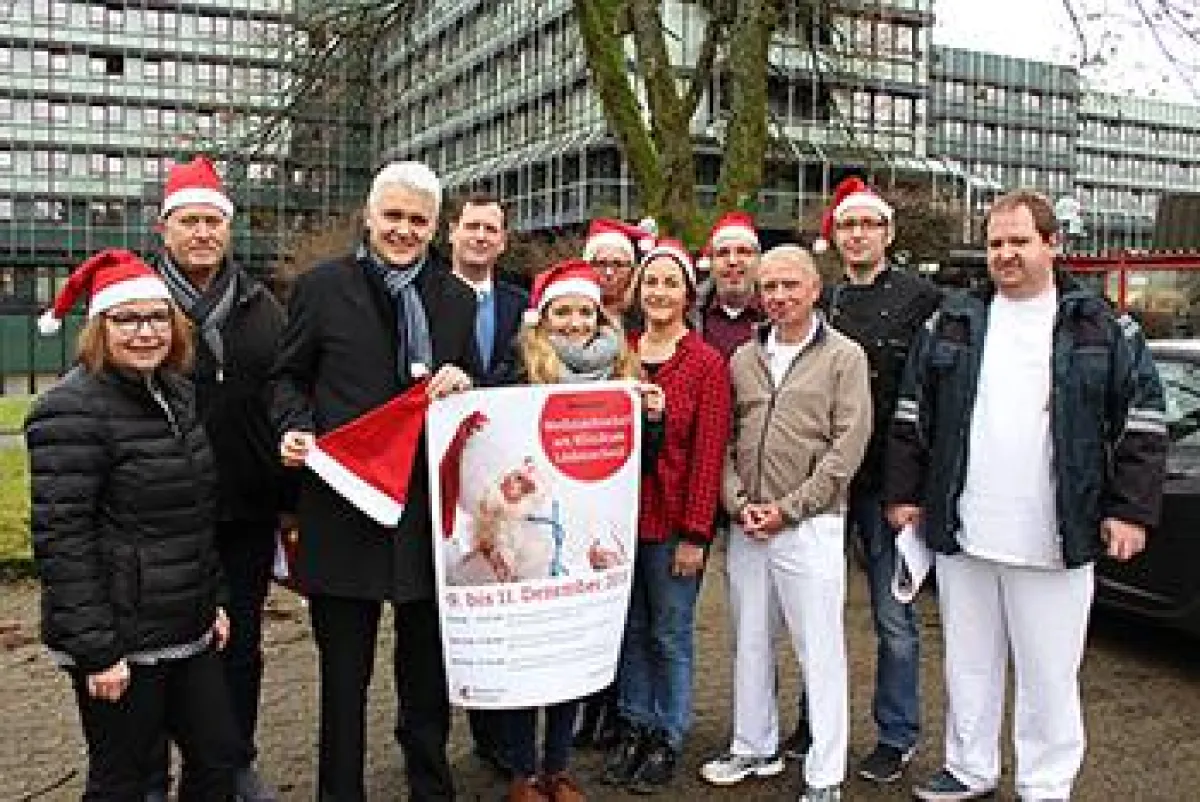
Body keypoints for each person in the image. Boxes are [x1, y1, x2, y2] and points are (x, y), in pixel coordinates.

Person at [884, 190, 1167, 802]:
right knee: (969, 661)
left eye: (1019, 241)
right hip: (965, 528)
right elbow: (912, 413)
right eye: (995, 243)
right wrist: (905, 493)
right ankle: (969, 767)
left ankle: (1045, 782)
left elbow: (1143, 418)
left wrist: (1129, 510)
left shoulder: (1102, 326)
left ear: (1051, 244)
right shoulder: (952, 320)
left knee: (1049, 672)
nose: (1005, 254)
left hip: (1056, 531)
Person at [271, 161, 478, 802]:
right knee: (344, 675)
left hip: (423, 513)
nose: (403, 230)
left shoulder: (457, 299)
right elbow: (286, 377)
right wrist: (295, 426)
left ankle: (429, 786)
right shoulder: (321, 288)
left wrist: (465, 382)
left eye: (417, 220)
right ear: (368, 216)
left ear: (435, 227)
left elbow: (472, 388)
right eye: (393, 216)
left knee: (424, 672)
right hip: (344, 503)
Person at [26, 249, 242, 801]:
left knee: (218, 760)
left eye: (158, 317)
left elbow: (194, 511)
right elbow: (62, 540)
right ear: (100, 327)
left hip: (187, 626)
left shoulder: (177, 393)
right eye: (128, 319)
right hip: (120, 640)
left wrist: (213, 598)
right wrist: (97, 651)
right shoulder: (69, 409)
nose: (146, 331)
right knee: (126, 781)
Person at [701, 245, 871, 802]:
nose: (777, 296)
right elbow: (724, 440)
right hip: (749, 523)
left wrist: (790, 508)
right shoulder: (742, 360)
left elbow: (847, 447)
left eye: (789, 286)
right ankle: (754, 745)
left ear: (814, 289)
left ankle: (826, 774)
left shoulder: (844, 356)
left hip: (811, 524)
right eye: (768, 286)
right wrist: (737, 501)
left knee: (818, 649)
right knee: (750, 641)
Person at [149, 155, 290, 802]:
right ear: (164, 228)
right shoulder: (140, 310)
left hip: (248, 509)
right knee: (165, 645)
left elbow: (284, 400)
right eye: (191, 221)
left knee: (244, 643)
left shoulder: (263, 307)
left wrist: (289, 500)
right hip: (165, 515)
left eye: (214, 221)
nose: (204, 232)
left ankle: (235, 759)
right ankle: (160, 767)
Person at [495, 258, 662, 802]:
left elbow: (643, 462)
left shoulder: (623, 372)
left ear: (599, 317)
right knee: (529, 655)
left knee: (571, 653)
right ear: (543, 319)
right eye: (562, 311)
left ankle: (557, 768)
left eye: (584, 312)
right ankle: (522, 772)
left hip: (590, 525)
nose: (573, 322)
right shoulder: (518, 365)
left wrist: (651, 420)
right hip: (531, 531)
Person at [811, 176, 943, 783]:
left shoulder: (922, 298)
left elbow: (927, 396)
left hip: (889, 485)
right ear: (835, 236)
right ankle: (815, 723)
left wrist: (910, 489)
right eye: (847, 225)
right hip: (827, 484)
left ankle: (897, 733)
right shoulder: (825, 301)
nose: (857, 234)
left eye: (868, 225)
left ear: (888, 233)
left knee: (894, 618)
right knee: (816, 612)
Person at [603, 238, 731, 794]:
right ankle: (632, 723)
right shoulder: (621, 353)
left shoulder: (705, 363)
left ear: (685, 294)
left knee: (671, 634)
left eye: (670, 283)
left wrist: (696, 534)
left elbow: (708, 454)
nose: (659, 292)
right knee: (629, 631)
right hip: (619, 524)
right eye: (650, 282)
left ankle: (668, 734)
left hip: (673, 521)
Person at [445, 191, 529, 775]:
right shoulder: (424, 298)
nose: (480, 237)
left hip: (505, 463)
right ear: (453, 233)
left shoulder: (520, 304)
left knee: (508, 592)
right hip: (450, 467)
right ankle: (475, 726)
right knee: (467, 592)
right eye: (471, 226)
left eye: (490, 229)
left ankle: (504, 732)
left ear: (502, 240)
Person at [690, 211, 765, 360]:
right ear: (711, 263)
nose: (732, 261)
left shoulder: (777, 315)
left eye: (743, 251)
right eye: (723, 253)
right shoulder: (688, 314)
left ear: (758, 261)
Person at [582, 218, 653, 331]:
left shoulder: (651, 318)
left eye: (618, 264)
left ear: (633, 270)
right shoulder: (575, 319)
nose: (609, 272)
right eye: (601, 264)